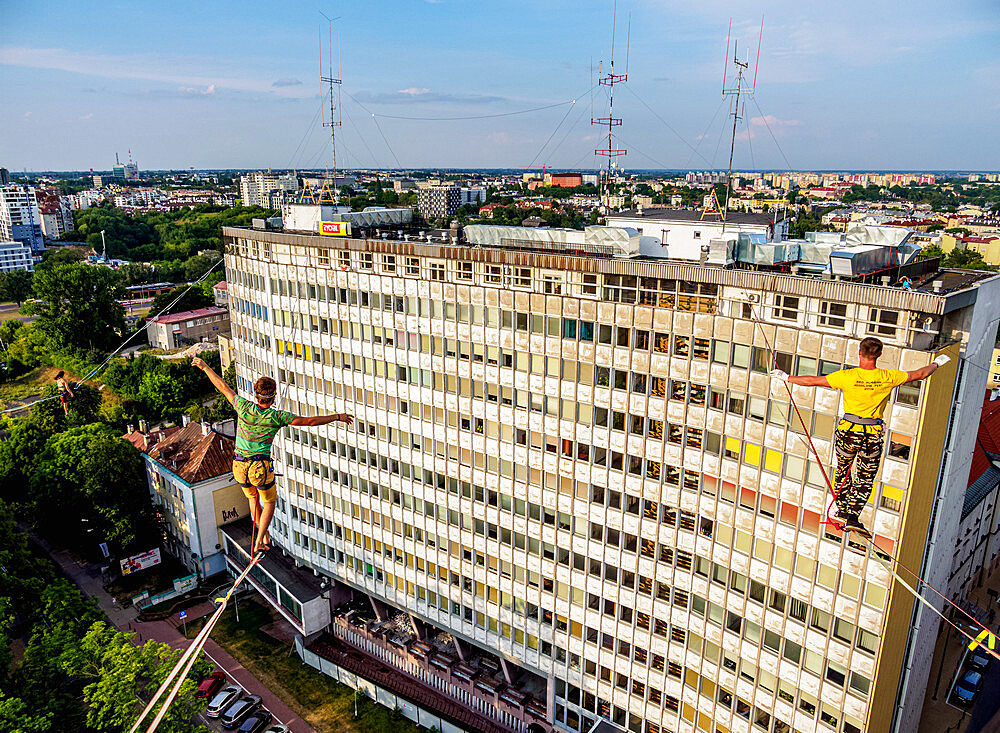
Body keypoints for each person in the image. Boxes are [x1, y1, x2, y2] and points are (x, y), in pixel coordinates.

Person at [771, 337, 950, 538]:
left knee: (844, 470)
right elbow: (920, 374)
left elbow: (812, 381)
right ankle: (852, 516)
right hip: (871, 434)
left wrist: (786, 377)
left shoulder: (847, 376)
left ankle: (843, 510)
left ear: (859, 352)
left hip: (848, 431)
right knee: (865, 477)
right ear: (879, 354)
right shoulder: (888, 376)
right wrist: (937, 363)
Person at [192, 357, 353, 554]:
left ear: (255, 394)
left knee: (253, 499)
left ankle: (264, 535)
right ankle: (259, 539)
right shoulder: (277, 417)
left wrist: (204, 366)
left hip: (239, 465)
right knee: (269, 501)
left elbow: (222, 386)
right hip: (258, 467)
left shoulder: (243, 407)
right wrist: (337, 417)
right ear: (274, 396)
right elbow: (309, 421)